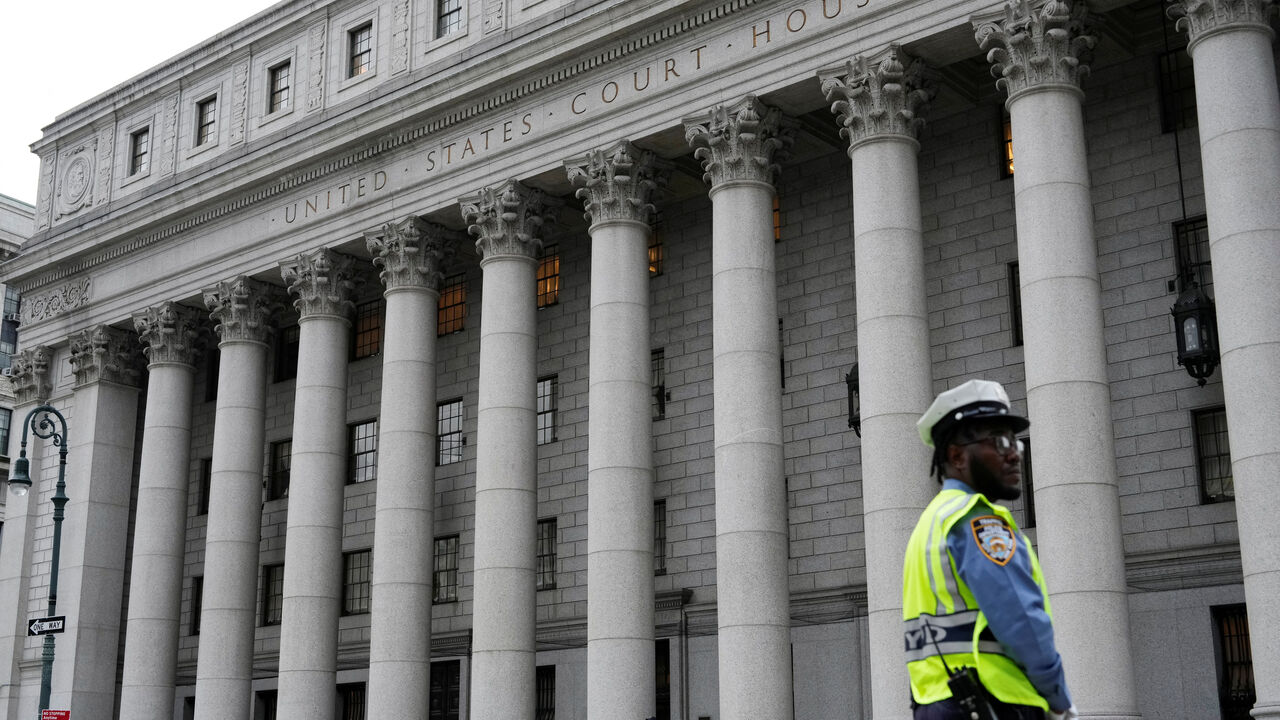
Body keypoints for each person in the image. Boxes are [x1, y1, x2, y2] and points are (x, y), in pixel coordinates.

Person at [902, 379, 1078, 720]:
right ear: (956, 455)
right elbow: (1022, 620)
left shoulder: (931, 522)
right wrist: (1058, 697)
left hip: (937, 703)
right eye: (998, 442)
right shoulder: (977, 520)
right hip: (994, 701)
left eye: (1015, 443)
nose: (1013, 453)